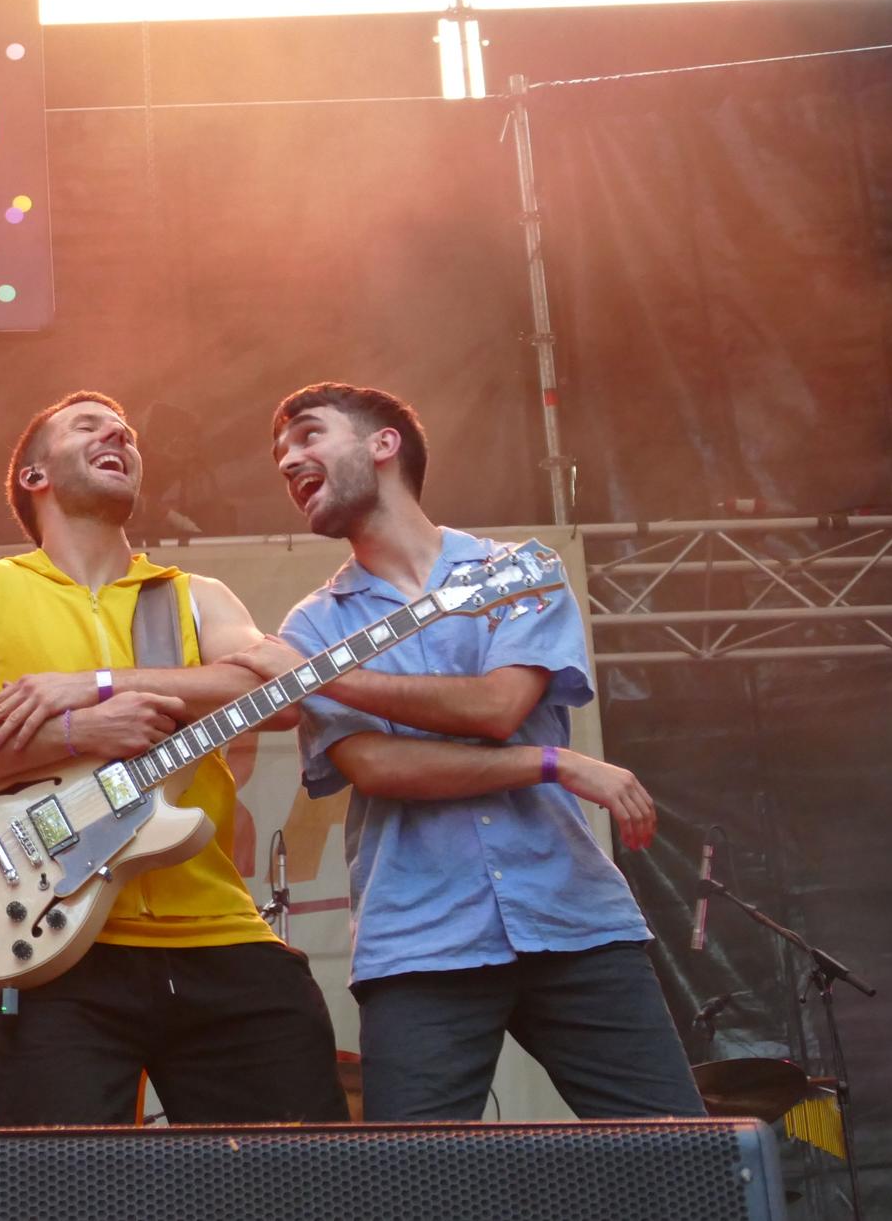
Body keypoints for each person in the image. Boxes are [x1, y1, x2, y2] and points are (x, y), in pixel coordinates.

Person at [236, 381, 704, 1121]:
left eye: (308, 435)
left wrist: (321, 674)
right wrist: (552, 762)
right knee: (415, 1186)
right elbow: (377, 767)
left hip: (574, 916)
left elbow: (498, 706)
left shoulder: (514, 568)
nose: (288, 459)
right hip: (418, 940)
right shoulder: (311, 621)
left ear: (383, 443)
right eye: (280, 453)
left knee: (681, 1161)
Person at [0, 391, 348, 1127]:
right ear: (34, 476)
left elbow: (283, 690)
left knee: (306, 1179)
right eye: (88, 426)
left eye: (127, 433)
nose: (118, 433)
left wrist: (102, 684)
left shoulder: (195, 596)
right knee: (61, 1195)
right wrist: (80, 734)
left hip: (219, 930)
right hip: (57, 940)